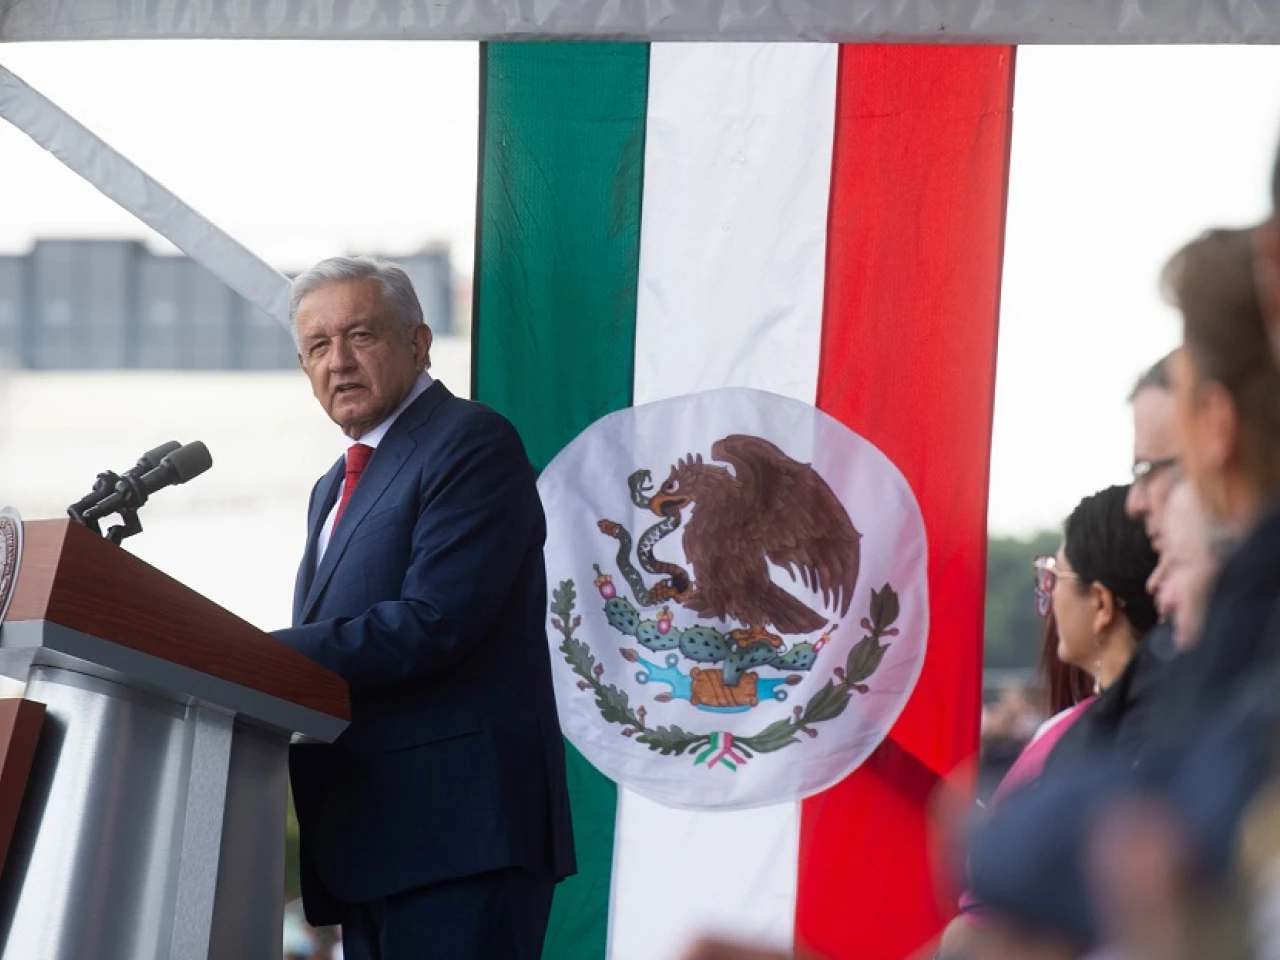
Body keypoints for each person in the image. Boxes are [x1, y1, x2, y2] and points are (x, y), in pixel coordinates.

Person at [273, 256, 575, 960]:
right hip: (370, 836)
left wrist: (255, 653)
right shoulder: (331, 486)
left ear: (418, 343)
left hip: (460, 835)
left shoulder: (470, 440)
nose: (339, 361)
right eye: (318, 346)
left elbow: (435, 622)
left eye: (360, 336)